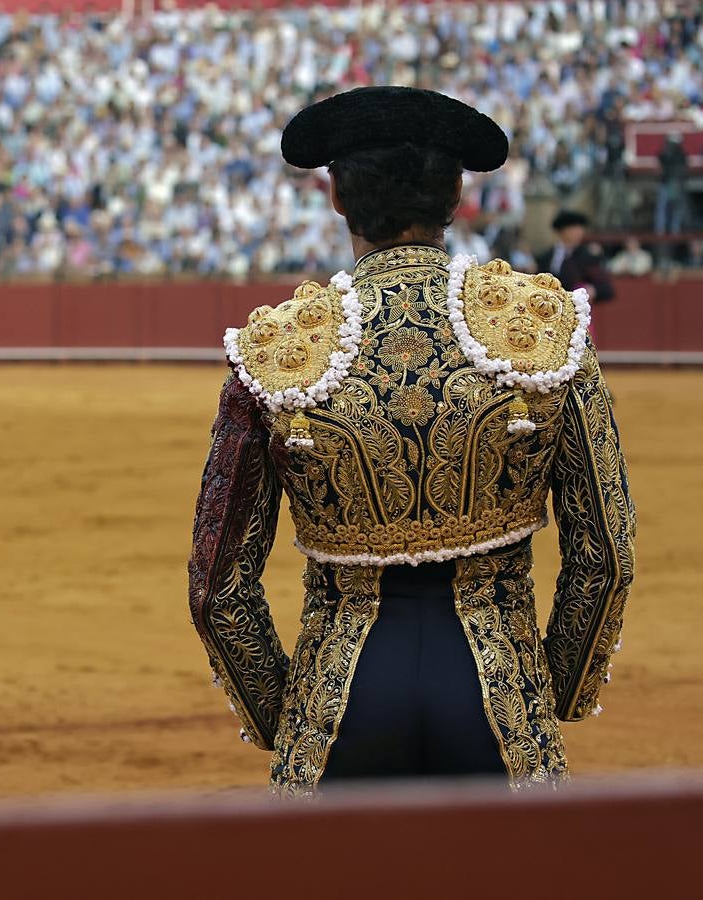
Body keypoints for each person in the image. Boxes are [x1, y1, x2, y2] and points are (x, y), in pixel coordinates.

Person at [187, 86, 635, 796]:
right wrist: (548, 694)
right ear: (456, 194)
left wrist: (294, 714)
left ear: (335, 196)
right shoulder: (542, 329)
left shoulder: (278, 350)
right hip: (497, 681)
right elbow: (604, 555)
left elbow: (218, 590)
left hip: (340, 689)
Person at [536, 210, 616, 304]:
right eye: (573, 228)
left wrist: (593, 290)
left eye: (580, 228)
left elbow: (606, 289)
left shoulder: (589, 257)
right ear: (561, 231)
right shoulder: (545, 257)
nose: (579, 232)